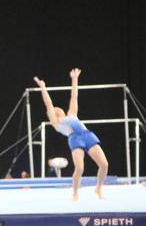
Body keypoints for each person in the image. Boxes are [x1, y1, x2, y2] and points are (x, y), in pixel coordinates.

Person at [33, 68, 109, 200]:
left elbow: (74, 96)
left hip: (87, 135)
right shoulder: (57, 123)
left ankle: (98, 188)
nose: (56, 109)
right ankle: (75, 192)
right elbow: (48, 103)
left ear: (63, 110)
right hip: (75, 139)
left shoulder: (72, 114)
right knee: (80, 168)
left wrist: (75, 79)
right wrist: (43, 87)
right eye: (53, 111)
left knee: (104, 164)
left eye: (58, 108)